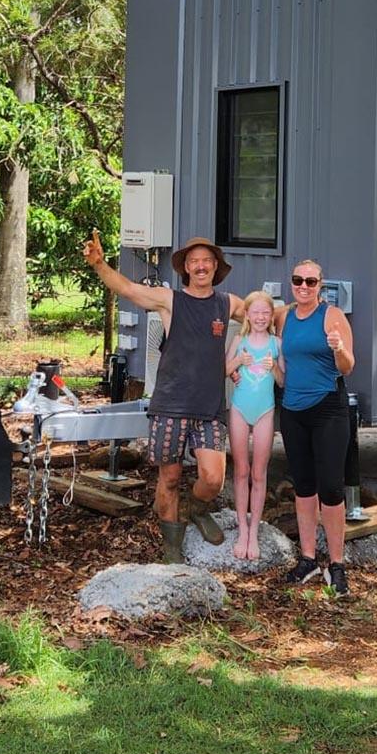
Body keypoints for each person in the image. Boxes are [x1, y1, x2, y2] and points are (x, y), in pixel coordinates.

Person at [83, 230, 245, 562]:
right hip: (171, 404)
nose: (200, 267)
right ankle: (172, 544)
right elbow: (128, 289)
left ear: (216, 266)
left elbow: (264, 313)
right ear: (186, 267)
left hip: (210, 407)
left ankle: (196, 507)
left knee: (213, 478)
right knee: (169, 477)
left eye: (206, 261)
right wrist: (100, 264)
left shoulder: (228, 303)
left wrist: (305, 310)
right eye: (194, 262)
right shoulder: (170, 300)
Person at [273, 259, 355, 595]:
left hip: (328, 409)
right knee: (304, 487)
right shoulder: (284, 317)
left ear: (320, 285)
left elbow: (348, 367)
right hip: (293, 410)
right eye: (298, 280)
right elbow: (280, 365)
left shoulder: (332, 316)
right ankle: (307, 559)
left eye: (310, 281)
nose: (303, 286)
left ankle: (337, 564)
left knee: (331, 489)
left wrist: (338, 349)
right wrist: (251, 367)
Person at [226, 291, 284, 561]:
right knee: (241, 470)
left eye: (265, 313)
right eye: (255, 312)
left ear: (271, 316)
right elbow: (224, 369)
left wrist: (273, 368)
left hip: (265, 412)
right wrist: (239, 362)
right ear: (246, 315)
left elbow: (283, 382)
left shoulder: (277, 343)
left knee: (259, 473)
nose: (260, 317)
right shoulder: (239, 339)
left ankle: (254, 531)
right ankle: (242, 530)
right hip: (239, 409)